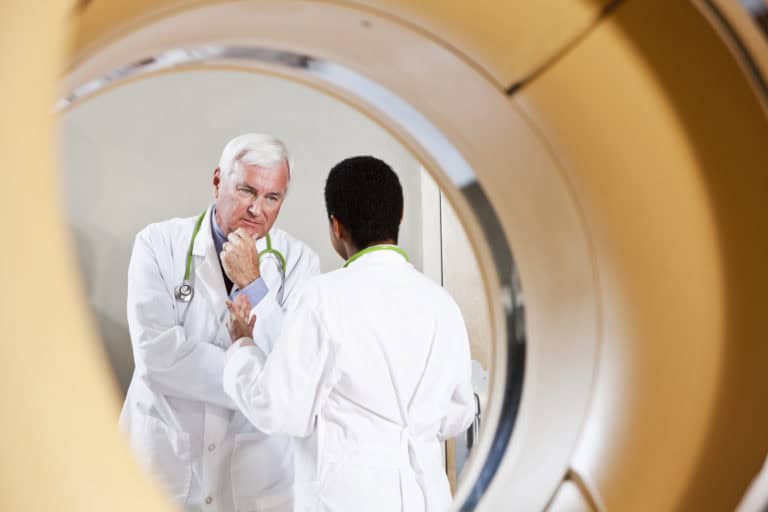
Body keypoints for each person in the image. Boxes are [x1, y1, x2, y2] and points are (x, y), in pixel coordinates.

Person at [222, 156, 475, 511]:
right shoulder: (442, 304)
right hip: (427, 496)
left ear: (336, 226)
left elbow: (280, 410)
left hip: (349, 498)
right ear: (399, 217)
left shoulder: (323, 297)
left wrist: (242, 348)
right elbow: (458, 414)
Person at [119, 134, 320, 512]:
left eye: (272, 198)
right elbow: (156, 359)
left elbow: (293, 370)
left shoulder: (299, 263)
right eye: (246, 190)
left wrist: (254, 284)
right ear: (217, 182)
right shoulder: (158, 244)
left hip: (255, 477)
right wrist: (257, 377)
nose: (257, 209)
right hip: (166, 463)